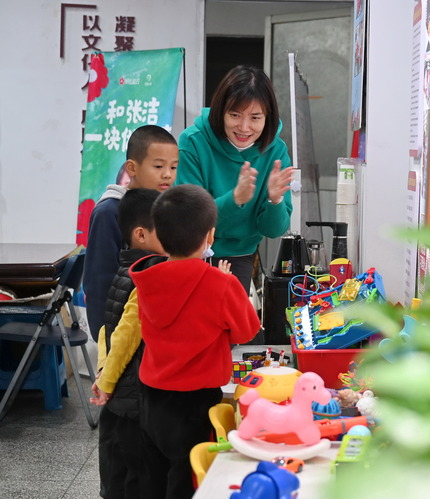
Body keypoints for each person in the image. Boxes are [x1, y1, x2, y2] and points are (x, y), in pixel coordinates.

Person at [129, 184, 261, 499]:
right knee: (187, 478)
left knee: (153, 476)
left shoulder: (147, 279)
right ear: (210, 236)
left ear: (160, 235)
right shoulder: (221, 283)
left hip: (150, 396)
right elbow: (247, 331)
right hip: (195, 401)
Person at [177, 65, 295, 294]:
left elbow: (274, 231)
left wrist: (275, 201)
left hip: (241, 255)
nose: (244, 127)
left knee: (230, 315)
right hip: (192, 253)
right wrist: (234, 199)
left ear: (268, 117)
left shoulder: (276, 151)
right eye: (235, 115)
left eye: (255, 117)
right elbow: (189, 220)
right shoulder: (193, 142)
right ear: (220, 111)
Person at [89, 188, 165, 499]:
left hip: (121, 390)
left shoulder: (126, 269)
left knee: (120, 463)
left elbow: (108, 330)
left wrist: (104, 373)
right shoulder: (151, 273)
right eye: (166, 228)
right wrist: (107, 381)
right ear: (141, 235)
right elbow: (125, 334)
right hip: (135, 395)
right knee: (139, 472)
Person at [83, 125, 178, 343]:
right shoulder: (109, 211)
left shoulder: (166, 209)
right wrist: (105, 337)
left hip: (156, 325)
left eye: (173, 167)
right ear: (132, 168)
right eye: (158, 166)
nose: (167, 174)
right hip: (122, 332)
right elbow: (98, 281)